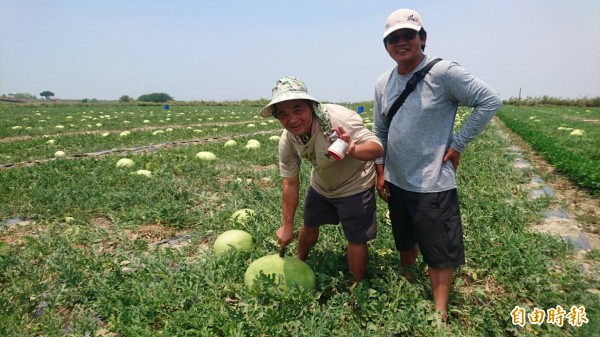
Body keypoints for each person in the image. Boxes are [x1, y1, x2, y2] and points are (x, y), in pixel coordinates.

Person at [372, 8, 502, 323]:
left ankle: (439, 312)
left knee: (439, 249)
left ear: (423, 39)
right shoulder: (383, 83)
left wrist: (458, 144)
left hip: (432, 181)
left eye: (408, 36)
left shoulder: (444, 73)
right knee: (404, 237)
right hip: (397, 178)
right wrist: (380, 171)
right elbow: (380, 131)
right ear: (386, 45)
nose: (401, 43)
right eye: (393, 38)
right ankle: (408, 281)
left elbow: (490, 100)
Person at [260, 76, 384, 282]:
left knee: (355, 237)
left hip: (355, 184)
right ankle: (300, 262)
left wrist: (353, 148)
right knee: (309, 223)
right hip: (322, 184)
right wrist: (287, 224)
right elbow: (290, 182)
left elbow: (377, 148)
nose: (292, 119)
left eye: (297, 109)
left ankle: (357, 286)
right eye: (283, 114)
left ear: (311, 106)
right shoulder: (288, 139)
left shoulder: (340, 121)